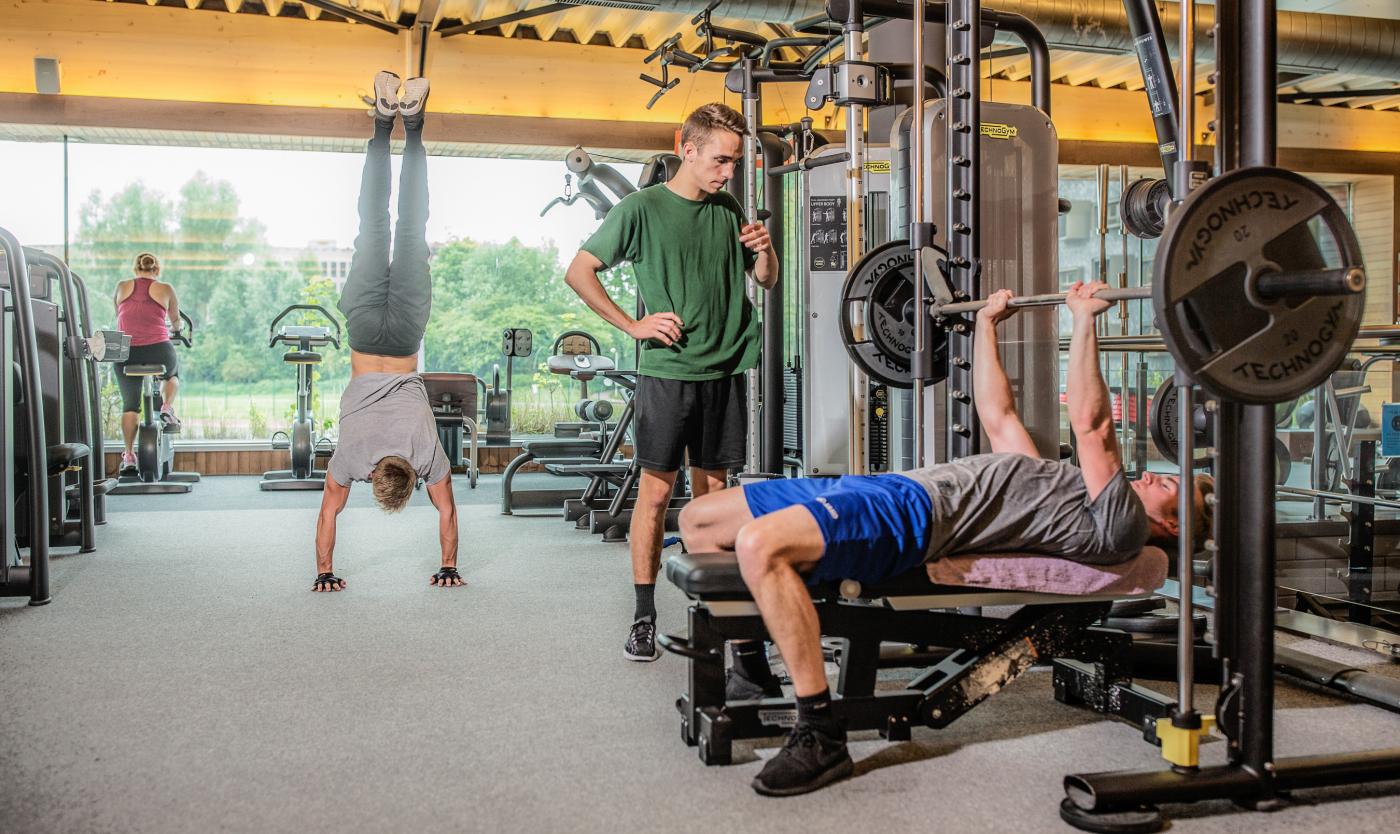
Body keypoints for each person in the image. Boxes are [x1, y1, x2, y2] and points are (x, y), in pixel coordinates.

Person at [679, 282, 1216, 796]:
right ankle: (752, 675)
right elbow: (998, 415)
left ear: (1170, 527)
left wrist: (1082, 322)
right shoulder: (1061, 485)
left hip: (915, 517)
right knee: (699, 521)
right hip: (892, 488)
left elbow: (1093, 425)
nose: (1150, 476)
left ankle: (820, 731)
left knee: (759, 544)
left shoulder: (1120, 525)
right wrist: (986, 326)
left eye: (1167, 485)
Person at [564, 102, 780, 661]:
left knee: (713, 498)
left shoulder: (729, 207)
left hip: (726, 370)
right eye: (720, 160)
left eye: (733, 162)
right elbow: (579, 270)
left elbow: (766, 280)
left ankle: (718, 616)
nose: (728, 172)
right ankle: (643, 615)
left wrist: (765, 252)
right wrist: (633, 324)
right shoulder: (641, 209)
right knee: (656, 496)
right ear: (687, 147)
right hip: (668, 373)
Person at [312, 71, 462, 594]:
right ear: (377, 478)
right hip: (362, 330)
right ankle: (381, 122)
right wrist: (323, 572)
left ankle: (413, 125)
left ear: (409, 479)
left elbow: (446, 514)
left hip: (402, 337)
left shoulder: (427, 458)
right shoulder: (351, 459)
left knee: (411, 226)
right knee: (373, 225)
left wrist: (450, 567)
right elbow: (329, 516)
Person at [113, 252, 183, 473]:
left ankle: (129, 454)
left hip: (126, 352)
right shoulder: (166, 288)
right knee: (171, 375)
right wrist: (175, 329)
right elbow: (176, 322)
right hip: (158, 349)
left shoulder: (122, 286)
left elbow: (121, 315)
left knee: (130, 405)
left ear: (136, 269)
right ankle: (166, 407)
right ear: (157, 270)